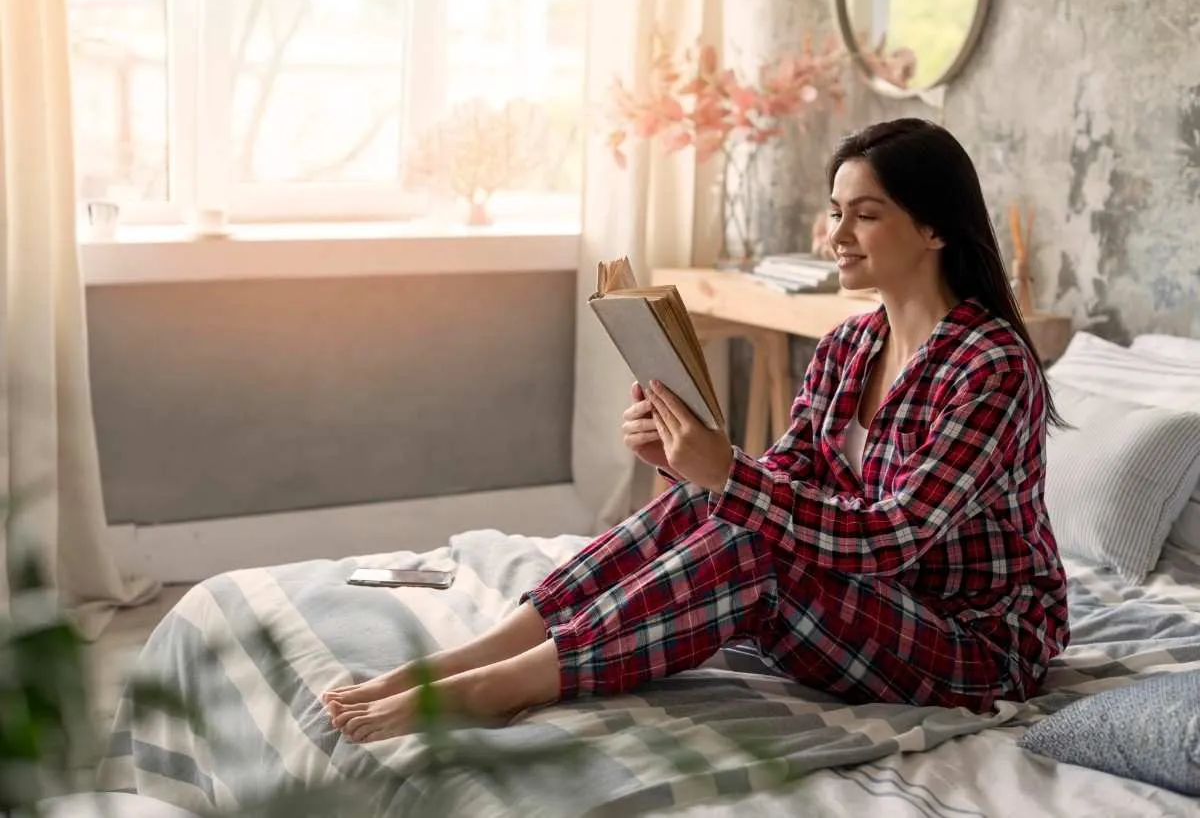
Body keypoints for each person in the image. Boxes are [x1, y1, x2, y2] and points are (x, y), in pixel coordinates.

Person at [322, 118, 1070, 744]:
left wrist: (730, 474)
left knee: (751, 535)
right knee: (712, 505)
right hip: (870, 605)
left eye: (864, 214)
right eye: (835, 210)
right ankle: (475, 658)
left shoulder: (990, 367)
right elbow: (784, 486)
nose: (836, 233)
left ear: (934, 226)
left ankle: (500, 687)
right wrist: (680, 462)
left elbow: (891, 537)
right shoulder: (850, 346)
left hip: (972, 641)